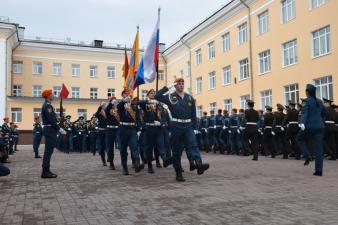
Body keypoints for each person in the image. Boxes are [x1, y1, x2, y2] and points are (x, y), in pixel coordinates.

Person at [155, 78, 209, 182]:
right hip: (176, 126)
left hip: (188, 125)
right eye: (179, 84)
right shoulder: (170, 97)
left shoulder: (189, 97)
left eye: (182, 83)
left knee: (193, 145)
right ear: (175, 85)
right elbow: (157, 96)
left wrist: (194, 128)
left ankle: (199, 164)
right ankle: (178, 173)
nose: (181, 85)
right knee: (177, 150)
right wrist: (169, 86)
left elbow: (194, 114)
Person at [296, 84, 325, 176]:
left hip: (309, 126)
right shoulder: (320, 102)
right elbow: (323, 114)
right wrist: (320, 122)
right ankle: (319, 171)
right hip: (320, 127)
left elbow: (304, 112)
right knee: (319, 149)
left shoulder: (306, 101)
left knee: (299, 139)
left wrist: (302, 123)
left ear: (307, 92)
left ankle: (307, 155)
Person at [40, 89, 67, 178]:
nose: (53, 95)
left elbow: (52, 118)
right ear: (48, 96)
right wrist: (60, 129)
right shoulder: (48, 106)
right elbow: (51, 120)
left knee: (49, 151)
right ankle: (45, 171)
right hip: (50, 130)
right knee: (48, 151)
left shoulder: (48, 105)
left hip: (50, 129)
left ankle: (46, 170)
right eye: (51, 94)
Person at [117, 89, 144, 175]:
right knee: (123, 149)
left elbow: (138, 117)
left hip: (132, 128)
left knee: (135, 146)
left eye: (128, 94)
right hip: (123, 128)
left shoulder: (133, 105)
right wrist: (123, 101)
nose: (127, 95)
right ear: (122, 95)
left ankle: (137, 164)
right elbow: (119, 107)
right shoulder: (120, 104)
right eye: (125, 94)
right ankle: (125, 167)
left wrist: (139, 128)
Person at [105, 96, 120, 170]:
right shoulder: (108, 109)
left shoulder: (118, 109)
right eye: (113, 101)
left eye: (115, 101)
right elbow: (106, 110)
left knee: (121, 145)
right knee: (110, 146)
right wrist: (111, 104)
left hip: (118, 129)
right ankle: (111, 162)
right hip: (110, 129)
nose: (115, 102)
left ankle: (124, 159)